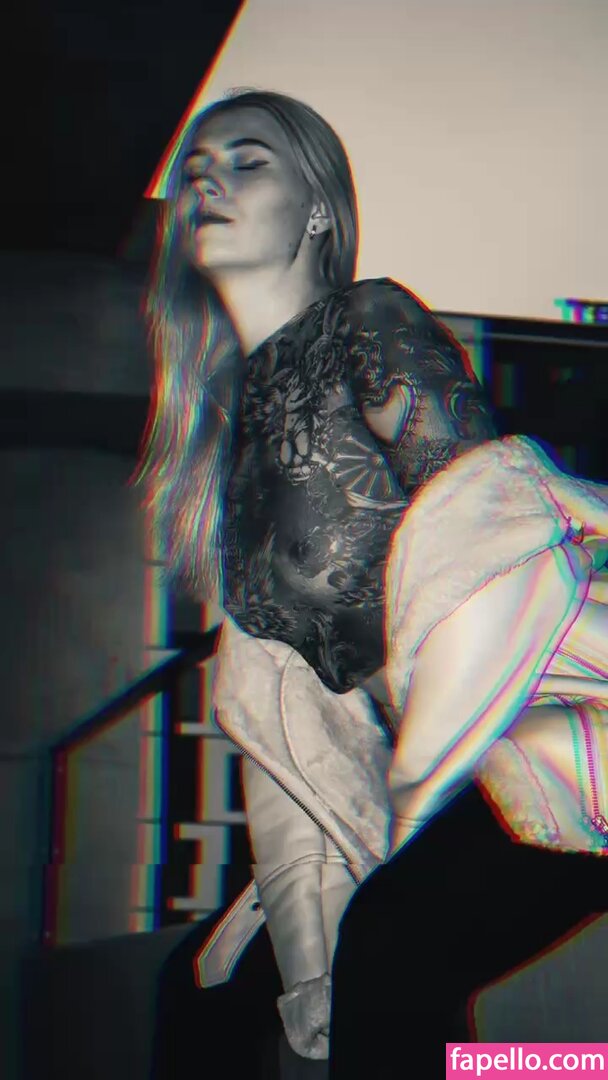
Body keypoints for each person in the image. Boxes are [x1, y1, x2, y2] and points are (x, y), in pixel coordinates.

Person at [133, 88, 608, 1077]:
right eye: (193, 169)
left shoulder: (367, 323)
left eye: (247, 160)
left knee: (393, 946)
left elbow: (499, 548)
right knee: (203, 986)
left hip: (553, 728)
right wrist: (304, 948)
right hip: (437, 771)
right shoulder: (225, 432)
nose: (207, 181)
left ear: (317, 208)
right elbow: (289, 717)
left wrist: (407, 814)